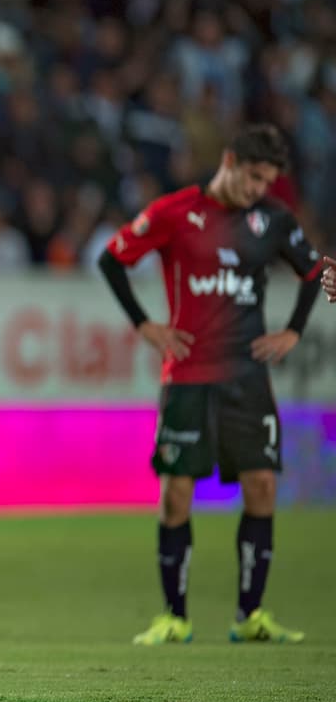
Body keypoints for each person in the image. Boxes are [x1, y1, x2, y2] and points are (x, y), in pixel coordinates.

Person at [97, 124, 322, 646]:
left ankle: (251, 615)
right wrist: (144, 324)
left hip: (248, 377)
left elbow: (312, 272)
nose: (257, 191)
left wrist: (293, 331)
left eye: (266, 182)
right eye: (253, 178)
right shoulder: (175, 212)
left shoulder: (271, 220)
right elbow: (112, 259)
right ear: (229, 161)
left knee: (262, 486)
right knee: (176, 493)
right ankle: (174, 616)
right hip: (188, 378)